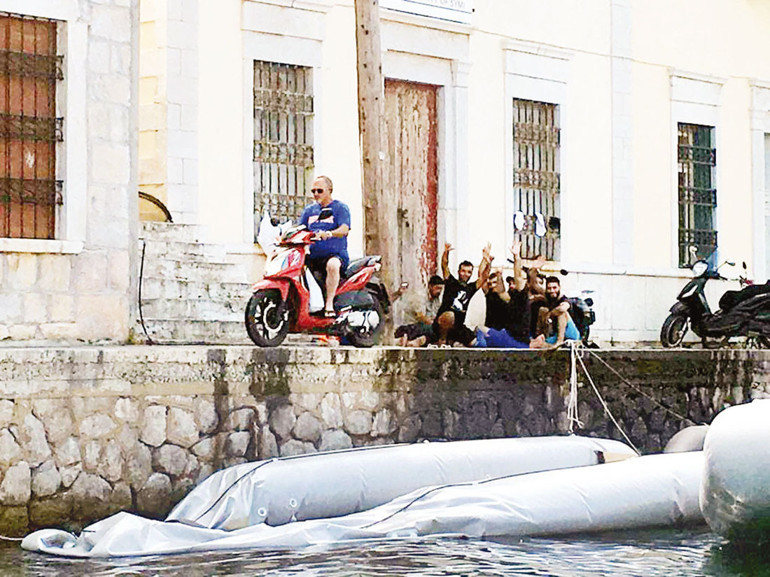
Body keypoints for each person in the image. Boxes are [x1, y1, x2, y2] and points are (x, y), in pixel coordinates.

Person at [299, 176, 350, 317]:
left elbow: (344, 229)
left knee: (332, 265)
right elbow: (300, 229)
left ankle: (329, 305)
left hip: (334, 255)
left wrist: (329, 233)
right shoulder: (309, 211)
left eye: (319, 191)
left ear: (329, 191)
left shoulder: (340, 208)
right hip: (312, 255)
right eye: (313, 191)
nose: (316, 194)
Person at [474, 240, 530, 348]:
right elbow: (499, 289)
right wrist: (487, 263)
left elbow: (518, 276)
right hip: (506, 336)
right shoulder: (509, 296)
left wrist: (516, 257)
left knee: (480, 330)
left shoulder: (523, 295)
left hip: (515, 340)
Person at [433, 242, 484, 346]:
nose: (465, 274)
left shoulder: (470, 288)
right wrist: (446, 252)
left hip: (459, 327)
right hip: (443, 324)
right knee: (450, 316)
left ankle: (455, 342)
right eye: (463, 271)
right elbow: (444, 265)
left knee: (478, 344)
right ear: (458, 271)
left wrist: (487, 260)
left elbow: (483, 277)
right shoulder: (451, 282)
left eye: (469, 272)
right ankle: (442, 340)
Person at [530, 275, 581, 349]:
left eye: (554, 288)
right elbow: (534, 286)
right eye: (549, 288)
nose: (552, 291)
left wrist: (550, 314)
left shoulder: (564, 299)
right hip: (555, 334)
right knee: (542, 310)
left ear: (559, 287)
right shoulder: (547, 297)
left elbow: (562, 309)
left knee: (562, 313)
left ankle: (559, 342)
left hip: (570, 333)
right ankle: (542, 339)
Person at [393, 275, 445, 347]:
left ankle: (415, 341)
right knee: (433, 329)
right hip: (410, 327)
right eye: (437, 288)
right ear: (430, 286)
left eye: (441, 289)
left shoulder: (436, 300)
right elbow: (421, 317)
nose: (439, 291)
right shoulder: (420, 296)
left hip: (423, 328)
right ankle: (415, 340)